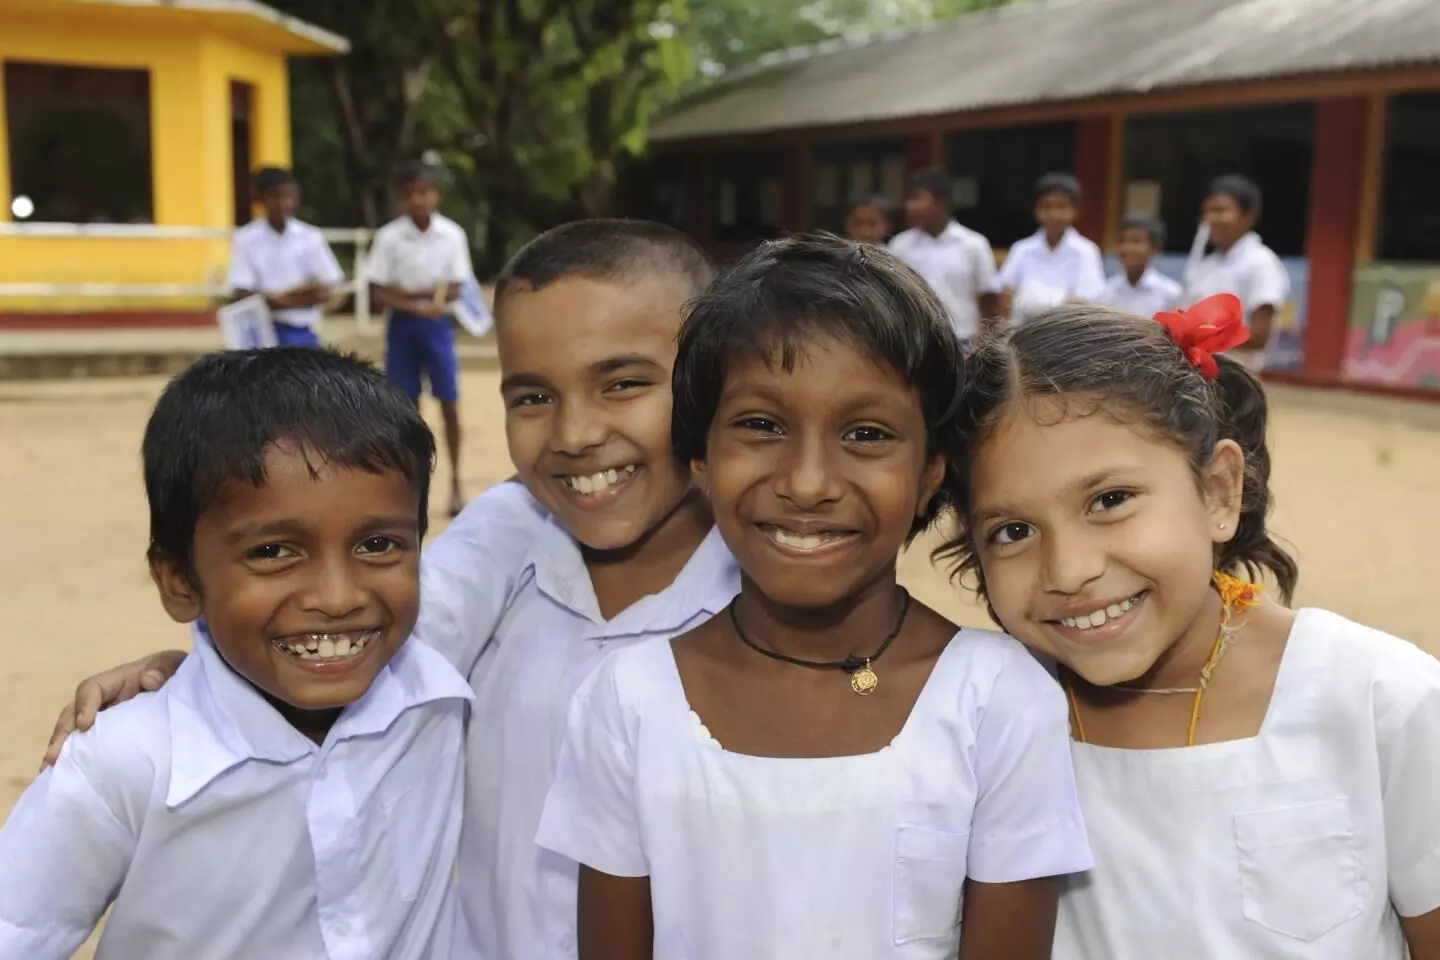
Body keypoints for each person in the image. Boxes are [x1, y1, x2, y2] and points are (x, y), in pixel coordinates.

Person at [42, 220, 731, 960]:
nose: (574, 433)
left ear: (711, 380)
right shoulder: (510, 533)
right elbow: (356, 641)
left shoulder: (763, 593)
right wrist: (210, 672)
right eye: (531, 397)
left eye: (623, 383)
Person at [536, 235, 1093, 960]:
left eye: (866, 434)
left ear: (932, 473)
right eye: (761, 426)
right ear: (700, 458)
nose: (807, 483)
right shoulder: (628, 704)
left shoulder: (998, 701)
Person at [935, 295, 1440, 958]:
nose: (1069, 569)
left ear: (1218, 493)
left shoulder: (1381, 700)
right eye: (1013, 531)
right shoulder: (985, 721)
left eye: (1110, 500)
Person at [0, 348, 472, 959]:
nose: (337, 598)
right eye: (274, 552)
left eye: (378, 544)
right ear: (179, 582)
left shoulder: (439, 690)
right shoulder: (120, 765)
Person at [368, 161, 474, 517]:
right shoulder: (389, 237)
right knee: (405, 408)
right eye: (412, 193)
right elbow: (379, 291)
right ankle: (410, 486)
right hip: (404, 327)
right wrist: (420, 301)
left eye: (425, 192)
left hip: (437, 326)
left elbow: (457, 285)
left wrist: (410, 294)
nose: (419, 199)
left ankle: (457, 483)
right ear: (403, 198)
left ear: (436, 195)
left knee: (449, 402)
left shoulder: (452, 234)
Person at [226, 167, 345, 348]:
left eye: (288, 196)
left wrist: (274, 298)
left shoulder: (310, 236)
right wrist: (299, 295)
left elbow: (324, 291)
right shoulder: (247, 239)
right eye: (275, 196)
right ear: (260, 198)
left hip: (303, 332)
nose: (283, 203)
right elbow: (242, 294)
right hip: (263, 335)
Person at [1183, 174, 1290, 370]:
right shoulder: (1206, 265)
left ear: (1247, 216)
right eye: (1207, 211)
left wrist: (1204, 343)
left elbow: (1259, 336)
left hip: (1237, 376)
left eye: (1220, 210)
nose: (1211, 219)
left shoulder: (1260, 263)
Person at [888, 168, 1000, 346]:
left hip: (963, 341)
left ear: (941, 203)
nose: (909, 206)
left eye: (917, 198)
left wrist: (985, 337)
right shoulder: (899, 245)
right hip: (916, 342)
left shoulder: (973, 244)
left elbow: (989, 295)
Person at [998, 172, 1106, 323]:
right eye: (1046, 207)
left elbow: (1086, 304)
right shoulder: (1021, 249)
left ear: (1076, 210)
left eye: (1061, 207)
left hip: (1066, 335)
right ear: (1036, 210)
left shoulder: (1086, 251)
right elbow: (1006, 297)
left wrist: (1029, 302)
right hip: (1024, 334)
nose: (1053, 214)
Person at [1097, 215, 1182, 317]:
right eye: (1122, 241)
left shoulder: (1171, 294)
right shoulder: (1106, 293)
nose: (1127, 248)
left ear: (1155, 248)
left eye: (1135, 241)